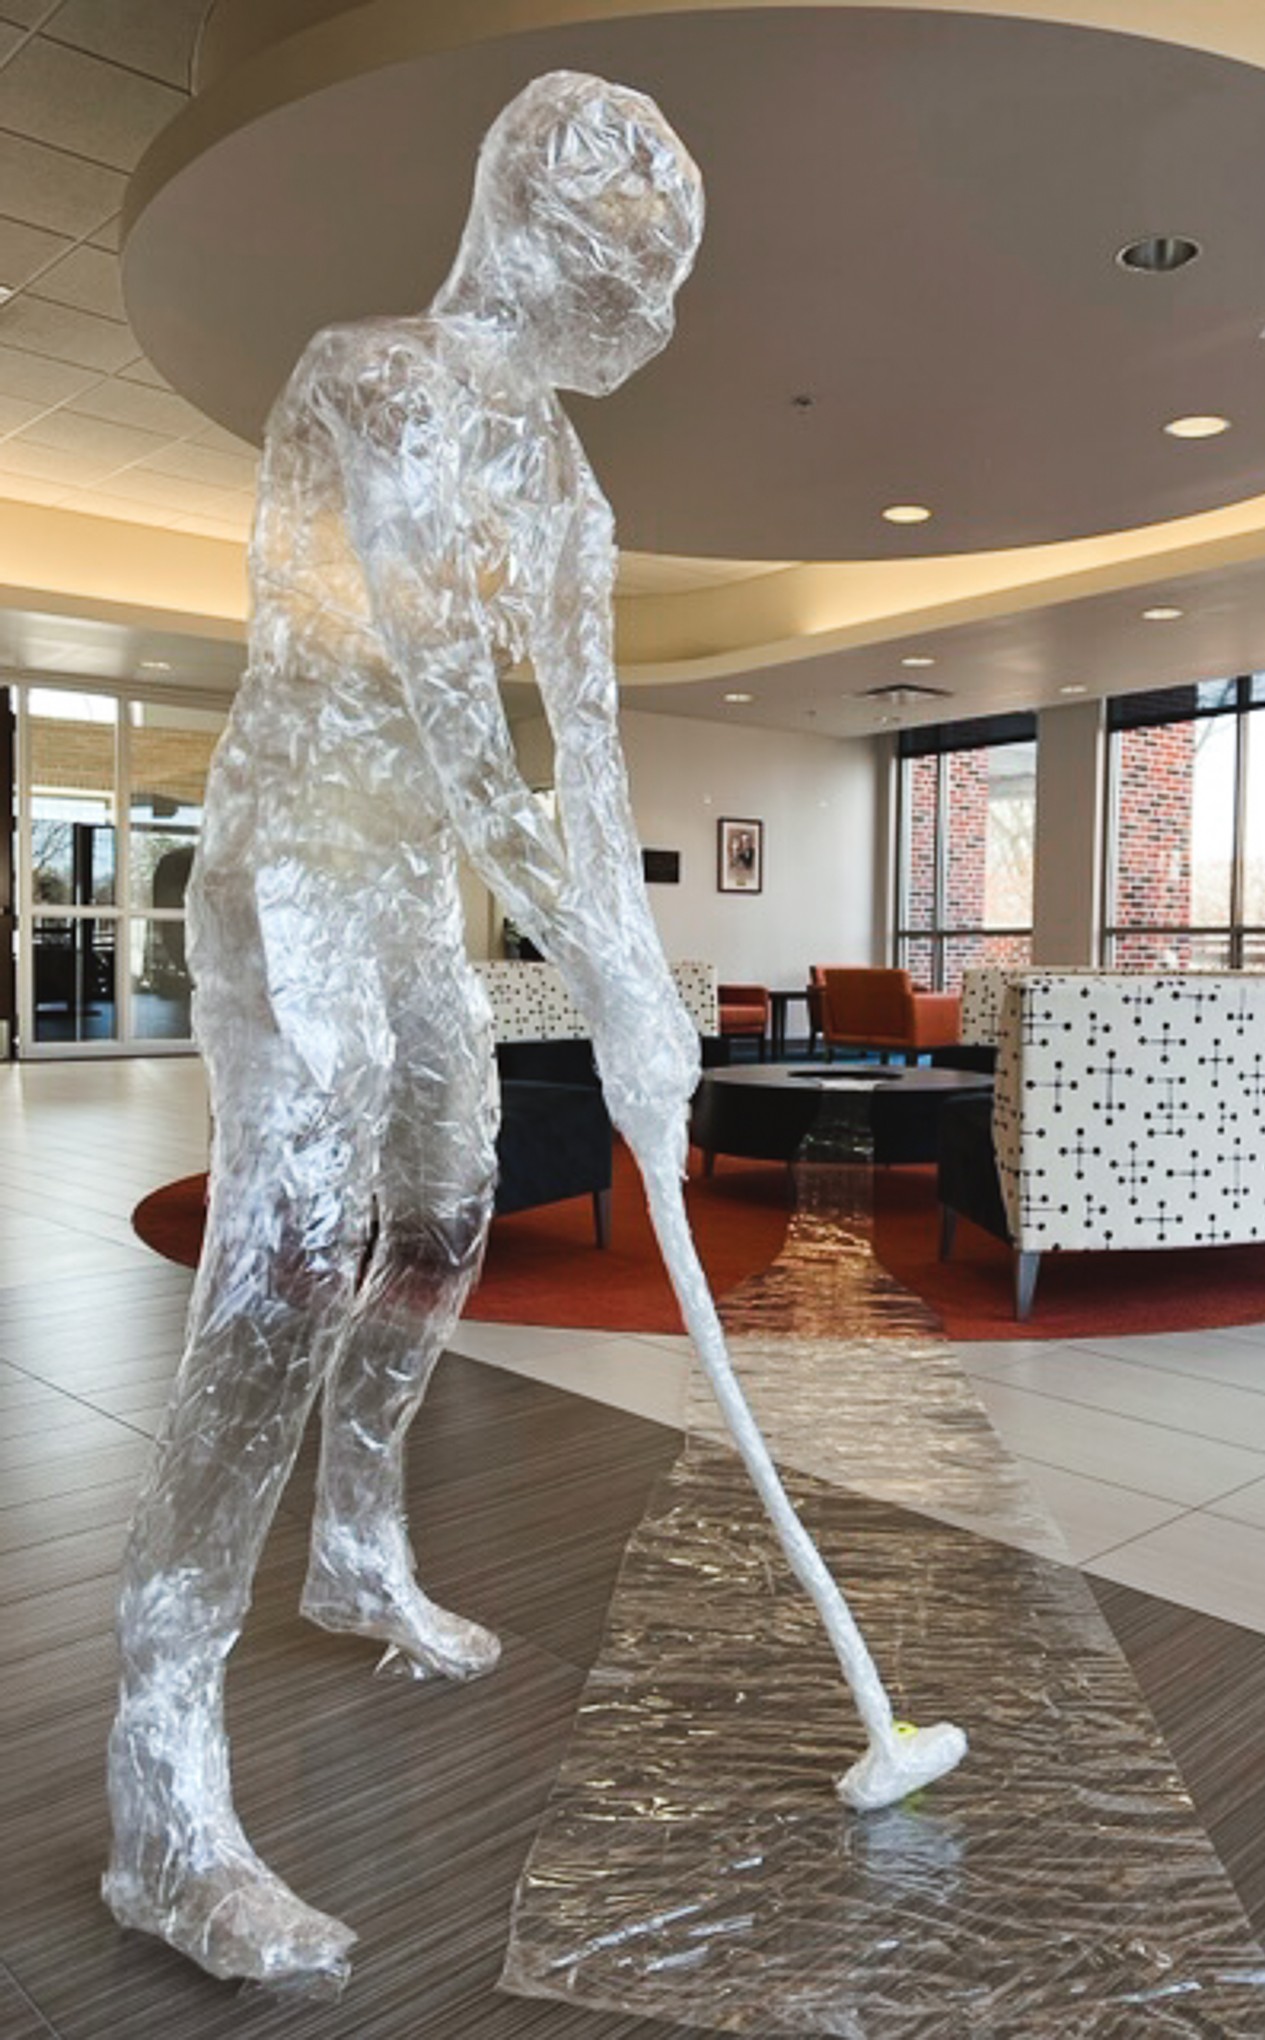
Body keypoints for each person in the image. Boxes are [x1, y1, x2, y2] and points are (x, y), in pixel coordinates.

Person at [103, 72, 706, 1990]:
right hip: (300, 870)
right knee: (284, 1263)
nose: (661, 314)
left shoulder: (570, 475)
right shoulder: (371, 372)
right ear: (545, 231)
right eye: (644, 267)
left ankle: (357, 1542)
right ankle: (161, 1788)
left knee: (444, 1211)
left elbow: (586, 753)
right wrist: (596, 969)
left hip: (424, 901)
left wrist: (645, 989)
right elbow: (451, 702)